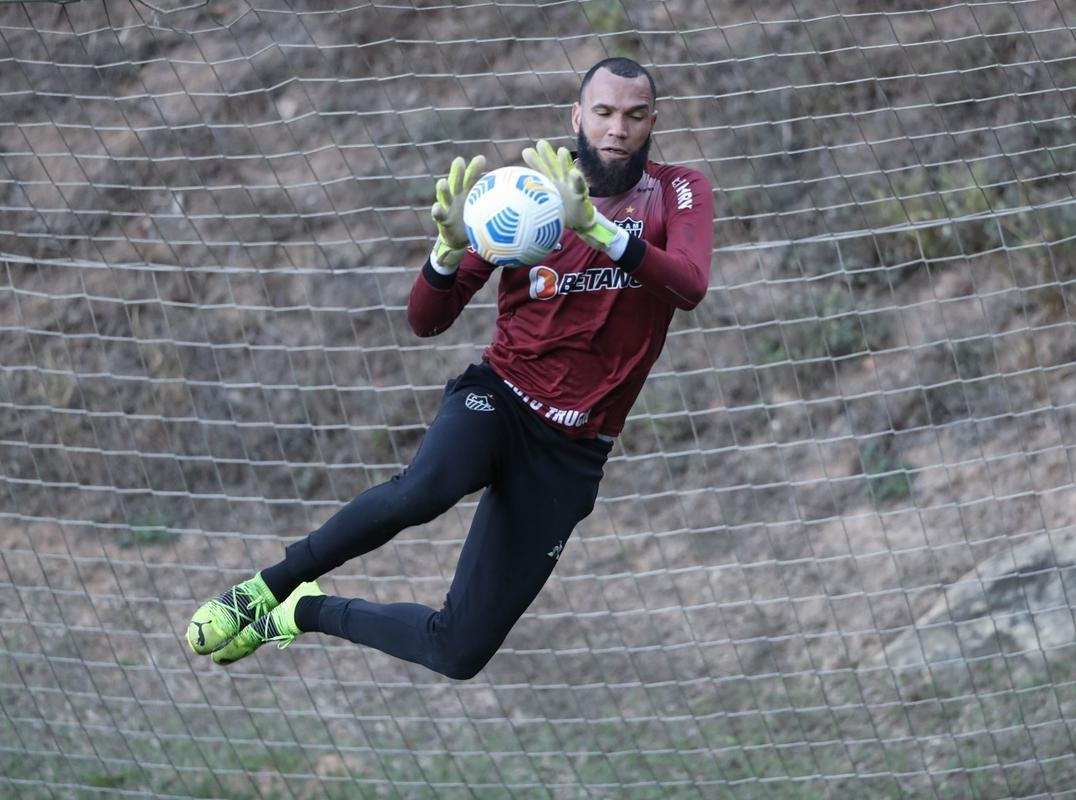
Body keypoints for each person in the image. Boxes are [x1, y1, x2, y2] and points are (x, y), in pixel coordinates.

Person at [185, 57, 714, 680]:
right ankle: (263, 590)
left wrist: (595, 229)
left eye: (634, 115)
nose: (617, 128)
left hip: (573, 450)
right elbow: (426, 320)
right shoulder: (524, 198)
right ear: (577, 115)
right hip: (501, 400)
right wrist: (445, 252)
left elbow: (688, 285)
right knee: (424, 490)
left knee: (457, 651)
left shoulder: (678, 190)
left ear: (653, 121)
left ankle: (303, 611)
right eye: (603, 112)